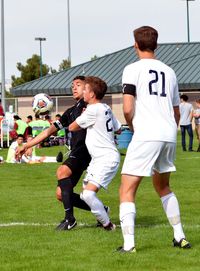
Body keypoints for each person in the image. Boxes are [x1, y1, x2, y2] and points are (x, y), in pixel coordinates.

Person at [117, 26, 191, 253]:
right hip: (168, 133)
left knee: (126, 189)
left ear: (135, 45)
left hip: (146, 133)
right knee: (163, 186)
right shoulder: (170, 71)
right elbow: (176, 111)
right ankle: (180, 236)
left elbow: (128, 108)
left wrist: (133, 127)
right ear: (156, 45)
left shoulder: (131, 69)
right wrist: (169, 129)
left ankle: (129, 245)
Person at [16, 76, 92, 230]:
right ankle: (101, 211)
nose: (74, 88)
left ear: (87, 89)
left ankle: (69, 219)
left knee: (62, 170)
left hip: (85, 151)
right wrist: (26, 145)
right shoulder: (70, 112)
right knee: (61, 194)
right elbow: (48, 132)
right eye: (72, 85)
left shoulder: (89, 106)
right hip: (76, 153)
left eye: (78, 85)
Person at [68, 76, 121, 230]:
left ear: (91, 94)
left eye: (85, 89)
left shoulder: (92, 109)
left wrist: (84, 116)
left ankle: (108, 225)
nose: (83, 91)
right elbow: (118, 129)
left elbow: (72, 127)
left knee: (89, 195)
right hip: (100, 159)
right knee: (85, 195)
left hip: (106, 158)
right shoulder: (106, 107)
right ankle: (104, 214)